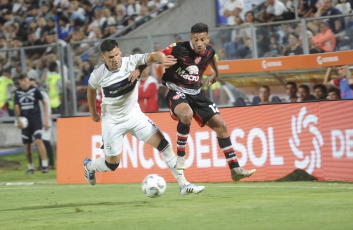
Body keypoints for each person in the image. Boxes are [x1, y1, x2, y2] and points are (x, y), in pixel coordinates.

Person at [84, 39, 205, 195]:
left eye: (116, 55)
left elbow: (153, 56)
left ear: (120, 52)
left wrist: (163, 59)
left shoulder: (131, 62)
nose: (115, 60)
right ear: (103, 57)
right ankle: (89, 166)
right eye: (110, 57)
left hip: (134, 116)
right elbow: (91, 90)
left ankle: (184, 185)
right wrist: (93, 113)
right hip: (112, 122)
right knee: (112, 164)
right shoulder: (98, 74)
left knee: (164, 145)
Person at [158, 23, 256, 182]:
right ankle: (180, 157)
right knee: (186, 114)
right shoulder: (177, 48)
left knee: (221, 125)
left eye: (202, 39)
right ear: (191, 38)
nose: (198, 43)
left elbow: (212, 58)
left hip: (197, 94)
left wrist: (216, 73)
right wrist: (155, 61)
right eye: (195, 39)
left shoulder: (210, 50)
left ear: (207, 39)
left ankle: (235, 169)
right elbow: (155, 55)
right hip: (176, 91)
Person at [14, 74, 49, 174]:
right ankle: (30, 168)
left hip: (36, 120)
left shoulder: (35, 90)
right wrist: (18, 120)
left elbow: (44, 103)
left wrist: (46, 118)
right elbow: (16, 107)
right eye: (21, 80)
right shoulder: (17, 92)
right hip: (25, 122)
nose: (24, 82)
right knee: (27, 146)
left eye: (25, 79)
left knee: (38, 140)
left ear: (28, 80)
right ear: (19, 82)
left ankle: (44, 165)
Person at [28, 70, 55, 170]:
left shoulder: (42, 93)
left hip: (45, 121)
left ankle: (51, 163)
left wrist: (46, 121)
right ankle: (42, 164)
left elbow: (47, 108)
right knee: (39, 141)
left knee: (46, 142)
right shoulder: (33, 94)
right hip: (38, 122)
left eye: (31, 80)